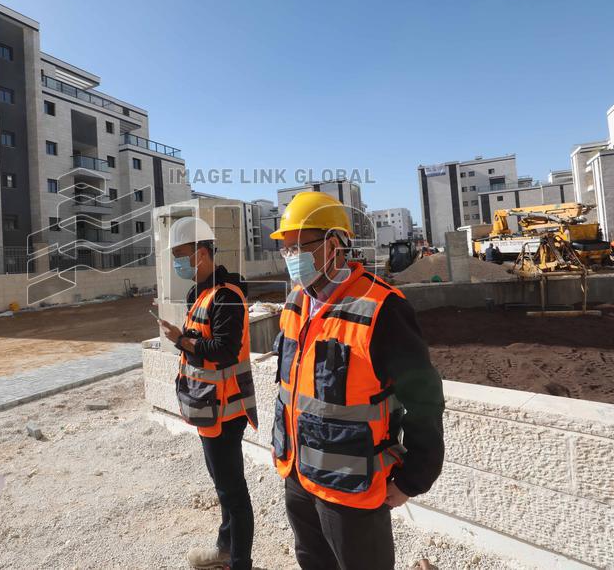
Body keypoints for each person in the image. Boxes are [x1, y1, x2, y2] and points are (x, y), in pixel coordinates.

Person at [269, 192, 445, 570]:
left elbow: (424, 399)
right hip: (298, 475)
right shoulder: (296, 303)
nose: (291, 258)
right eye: (285, 249)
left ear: (334, 245)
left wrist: (413, 479)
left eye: (299, 246)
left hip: (352, 488)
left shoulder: (383, 308)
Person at [157, 216, 258, 570]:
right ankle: (225, 548)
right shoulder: (198, 294)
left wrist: (181, 340)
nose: (177, 263)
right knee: (223, 486)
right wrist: (183, 338)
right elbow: (201, 343)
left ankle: (239, 561)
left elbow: (223, 350)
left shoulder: (227, 296)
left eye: (180, 255)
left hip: (226, 410)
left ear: (200, 254)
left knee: (233, 491)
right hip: (206, 405)